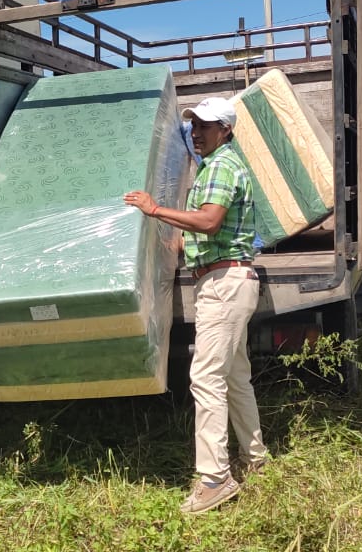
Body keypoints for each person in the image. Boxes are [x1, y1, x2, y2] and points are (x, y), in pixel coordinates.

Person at [123, 97, 269, 514]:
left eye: (205, 126)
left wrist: (155, 210)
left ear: (225, 130)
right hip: (225, 281)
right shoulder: (213, 167)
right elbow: (205, 231)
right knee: (234, 377)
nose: (196, 132)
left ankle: (214, 479)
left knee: (206, 379)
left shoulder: (221, 166)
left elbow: (209, 221)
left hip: (224, 285)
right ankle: (255, 459)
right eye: (194, 125)